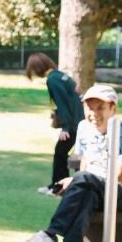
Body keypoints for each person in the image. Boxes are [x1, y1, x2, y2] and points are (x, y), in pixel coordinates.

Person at [19, 84, 122, 242]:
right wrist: (80, 178)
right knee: (86, 193)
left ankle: (50, 234)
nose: (94, 113)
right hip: (93, 185)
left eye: (101, 107)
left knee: (84, 181)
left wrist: (76, 179)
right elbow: (85, 162)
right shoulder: (84, 127)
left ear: (113, 109)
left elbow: (121, 176)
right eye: (89, 107)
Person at [25, 52, 84, 195]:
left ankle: (59, 187)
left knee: (60, 153)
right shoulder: (59, 75)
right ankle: (56, 185)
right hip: (78, 120)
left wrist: (65, 127)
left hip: (74, 123)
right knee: (61, 153)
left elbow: (62, 104)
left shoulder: (52, 80)